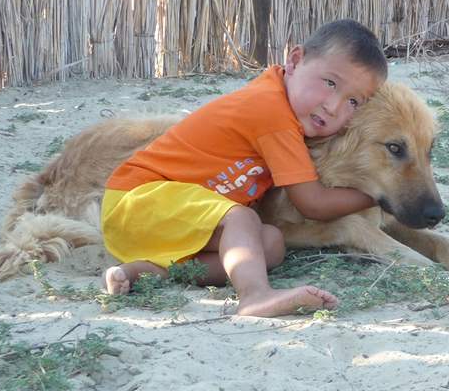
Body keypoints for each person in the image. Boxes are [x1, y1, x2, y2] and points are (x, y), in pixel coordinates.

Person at [101, 19, 388, 317]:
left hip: (160, 223)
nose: (333, 107)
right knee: (241, 218)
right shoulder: (270, 110)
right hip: (135, 200)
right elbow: (312, 204)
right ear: (294, 60)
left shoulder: (286, 109)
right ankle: (255, 295)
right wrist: (378, 194)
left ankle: (147, 272)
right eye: (330, 83)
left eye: (353, 101)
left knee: (271, 244)